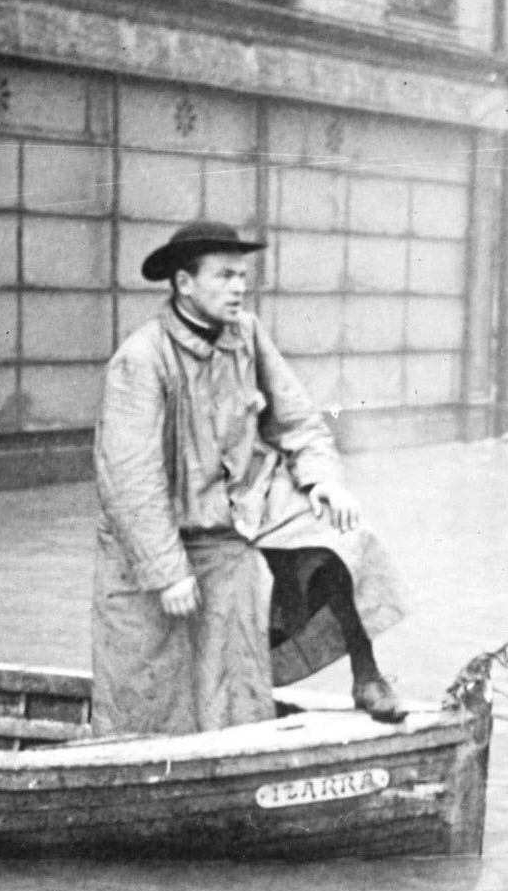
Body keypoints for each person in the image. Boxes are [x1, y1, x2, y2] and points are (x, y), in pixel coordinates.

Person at [91, 220, 406, 737]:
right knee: (154, 704)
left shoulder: (247, 334)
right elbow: (129, 479)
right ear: (184, 283)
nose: (239, 287)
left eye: (242, 275)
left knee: (344, 536)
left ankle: (367, 675)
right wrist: (167, 570)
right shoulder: (141, 360)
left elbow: (299, 420)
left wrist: (322, 478)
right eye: (224, 276)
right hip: (166, 540)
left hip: (244, 511)